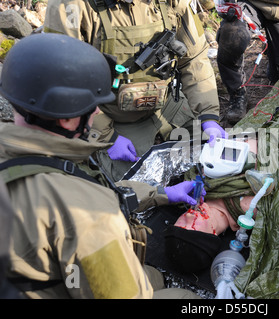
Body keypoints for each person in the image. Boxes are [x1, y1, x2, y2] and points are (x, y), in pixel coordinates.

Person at [0, 33, 201, 299]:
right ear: (67, 119)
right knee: (184, 298)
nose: (97, 114)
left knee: (152, 277)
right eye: (94, 106)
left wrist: (162, 195)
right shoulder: (88, 212)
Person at [43, 0, 228, 182]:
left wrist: (208, 116)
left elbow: (194, 60)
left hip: (169, 106)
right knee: (135, 189)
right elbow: (65, 81)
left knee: (219, 159)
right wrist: (107, 137)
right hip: (111, 119)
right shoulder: (70, 6)